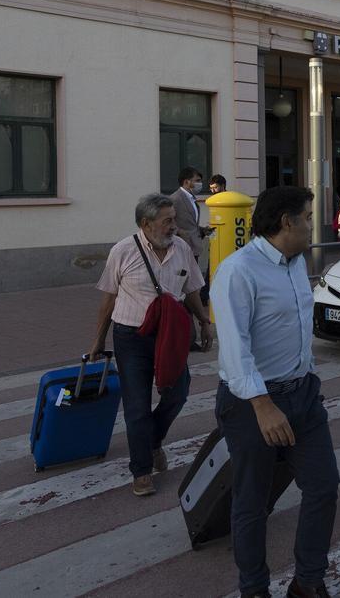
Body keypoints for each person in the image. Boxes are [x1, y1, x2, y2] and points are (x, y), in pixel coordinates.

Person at [211, 186, 340, 598]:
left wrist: (308, 378)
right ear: (287, 222)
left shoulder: (296, 262)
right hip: (254, 403)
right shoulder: (238, 270)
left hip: (302, 396)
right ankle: (254, 589)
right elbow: (235, 347)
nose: (312, 223)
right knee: (253, 501)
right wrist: (263, 406)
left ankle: (307, 582)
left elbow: (297, 328)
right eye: (307, 215)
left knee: (323, 485)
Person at [89, 193, 210, 496]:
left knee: (178, 394)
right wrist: (98, 339)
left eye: (174, 219)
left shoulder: (181, 248)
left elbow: (192, 288)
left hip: (170, 337)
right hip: (131, 337)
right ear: (146, 223)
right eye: (167, 220)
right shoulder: (123, 251)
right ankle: (141, 470)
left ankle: (152, 440)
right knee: (137, 406)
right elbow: (109, 298)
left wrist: (205, 322)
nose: (174, 226)